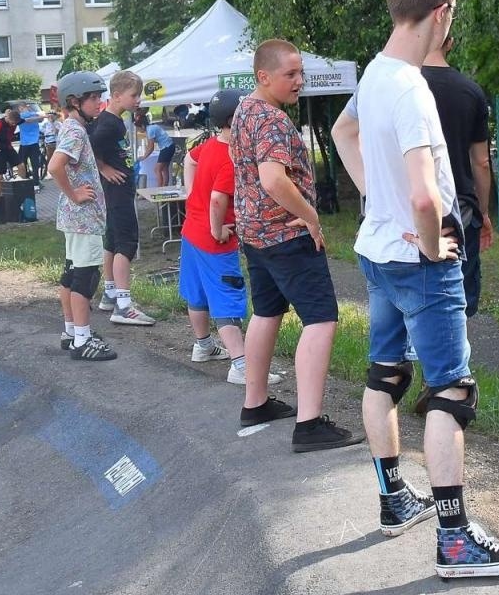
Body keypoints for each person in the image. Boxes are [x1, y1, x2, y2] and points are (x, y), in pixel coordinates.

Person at [332, 0, 499, 578]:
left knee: (386, 373)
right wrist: (424, 237)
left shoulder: (374, 71)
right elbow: (425, 196)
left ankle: (395, 499)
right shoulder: (414, 89)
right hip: (420, 261)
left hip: (375, 254)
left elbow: (343, 135)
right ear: (441, 13)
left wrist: (374, 198)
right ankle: (454, 541)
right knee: (451, 387)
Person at [231, 39, 355, 447]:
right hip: (286, 236)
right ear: (263, 76)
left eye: (300, 73)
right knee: (321, 319)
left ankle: (256, 402)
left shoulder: (244, 110)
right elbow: (272, 179)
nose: (299, 81)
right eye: (290, 74)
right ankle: (310, 423)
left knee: (266, 312)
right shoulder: (271, 120)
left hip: (255, 234)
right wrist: (311, 217)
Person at [181, 90, 281, 385]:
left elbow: (189, 159)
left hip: (191, 233)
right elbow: (217, 200)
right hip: (214, 241)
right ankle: (240, 365)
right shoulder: (232, 157)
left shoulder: (210, 145)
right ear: (235, 119)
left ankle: (203, 346)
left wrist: (189, 195)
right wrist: (218, 229)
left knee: (197, 293)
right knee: (226, 297)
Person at [421, 34, 495, 316]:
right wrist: (483, 212)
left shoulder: (401, 85)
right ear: (450, 42)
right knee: (458, 301)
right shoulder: (471, 91)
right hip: (460, 212)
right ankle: (453, 358)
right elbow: (481, 162)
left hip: (409, 209)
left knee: (414, 297)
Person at [49, 71, 118, 361]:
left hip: (74, 219)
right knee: (85, 278)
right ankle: (82, 339)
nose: (99, 104)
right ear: (75, 101)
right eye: (93, 99)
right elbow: (55, 166)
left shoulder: (70, 126)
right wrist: (75, 194)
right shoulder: (76, 131)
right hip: (83, 218)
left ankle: (71, 331)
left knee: (72, 274)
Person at [89, 70, 155, 328]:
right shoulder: (109, 123)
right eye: (134, 95)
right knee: (126, 243)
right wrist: (103, 167)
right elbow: (89, 147)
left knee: (112, 241)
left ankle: (110, 293)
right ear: (116, 96)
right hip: (116, 192)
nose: (138, 100)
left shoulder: (114, 119)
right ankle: (124, 305)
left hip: (115, 191)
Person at [146, 113, 176, 187]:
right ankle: (165, 186)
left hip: (166, 147)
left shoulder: (149, 130)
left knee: (157, 169)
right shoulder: (152, 127)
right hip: (170, 146)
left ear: (142, 126)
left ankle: (159, 188)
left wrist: (144, 157)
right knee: (164, 168)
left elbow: (151, 147)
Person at [0, 107, 22, 182]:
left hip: (8, 147)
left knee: (21, 166)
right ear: (8, 118)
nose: (14, 124)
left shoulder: (15, 122)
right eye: (13, 122)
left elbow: (26, 120)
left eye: (15, 123)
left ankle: (22, 184)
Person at [18, 103, 44, 181]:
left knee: (22, 162)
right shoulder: (34, 114)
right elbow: (41, 119)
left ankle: (25, 180)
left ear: (21, 108)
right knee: (34, 164)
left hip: (24, 143)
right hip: (34, 142)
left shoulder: (20, 116)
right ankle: (36, 183)